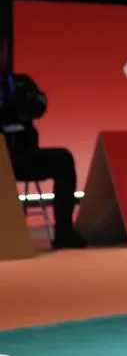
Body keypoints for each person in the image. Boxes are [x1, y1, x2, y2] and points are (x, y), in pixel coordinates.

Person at [0, 35, 87, 248]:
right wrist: (16, 111)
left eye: (2, 49)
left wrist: (13, 109)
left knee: (63, 159)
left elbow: (39, 105)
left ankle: (64, 232)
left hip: (23, 156)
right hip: (1, 156)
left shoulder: (20, 82)